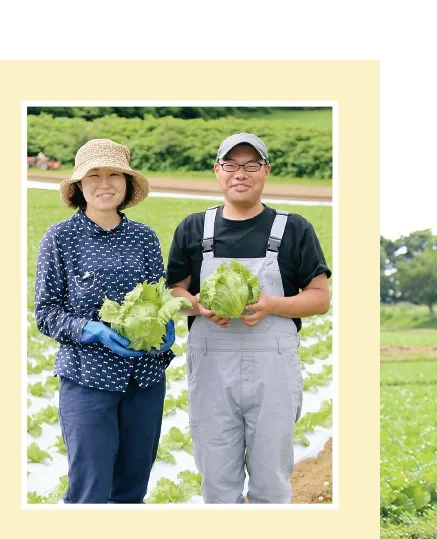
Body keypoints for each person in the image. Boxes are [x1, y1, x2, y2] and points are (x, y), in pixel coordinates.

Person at [167, 133, 331, 503]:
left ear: (265, 171)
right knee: (216, 481)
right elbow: (174, 292)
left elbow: (320, 299)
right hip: (212, 369)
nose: (240, 173)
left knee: (271, 480)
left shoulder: (294, 229)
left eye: (251, 165)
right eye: (231, 165)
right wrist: (199, 306)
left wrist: (272, 304)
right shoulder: (193, 229)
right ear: (217, 171)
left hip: (272, 367)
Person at [34, 138, 174, 504]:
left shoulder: (144, 238)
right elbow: (45, 314)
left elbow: (158, 298)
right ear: (79, 185)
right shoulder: (60, 238)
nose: (104, 183)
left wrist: (166, 328)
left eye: (114, 174)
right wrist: (89, 329)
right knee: (90, 489)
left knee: (132, 487)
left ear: (127, 185)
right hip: (86, 379)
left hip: (144, 377)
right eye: (93, 175)